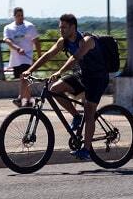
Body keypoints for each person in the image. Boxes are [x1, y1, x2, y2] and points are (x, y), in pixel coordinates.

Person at [22, 13, 109, 161]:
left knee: (89, 111)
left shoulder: (86, 41)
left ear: (73, 27)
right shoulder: (64, 41)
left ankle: (86, 149)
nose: (61, 30)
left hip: (97, 78)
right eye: (59, 27)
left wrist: (59, 72)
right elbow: (47, 55)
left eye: (64, 27)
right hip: (82, 75)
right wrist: (30, 70)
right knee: (54, 89)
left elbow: (75, 57)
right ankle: (76, 115)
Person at [3, 7, 41, 107]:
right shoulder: (8, 28)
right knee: (23, 79)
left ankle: (20, 99)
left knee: (24, 77)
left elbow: (36, 41)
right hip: (16, 58)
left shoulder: (29, 26)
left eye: (21, 15)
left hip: (27, 57)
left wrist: (40, 56)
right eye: (18, 15)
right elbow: (7, 40)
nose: (20, 17)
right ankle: (28, 101)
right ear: (14, 16)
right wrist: (17, 48)